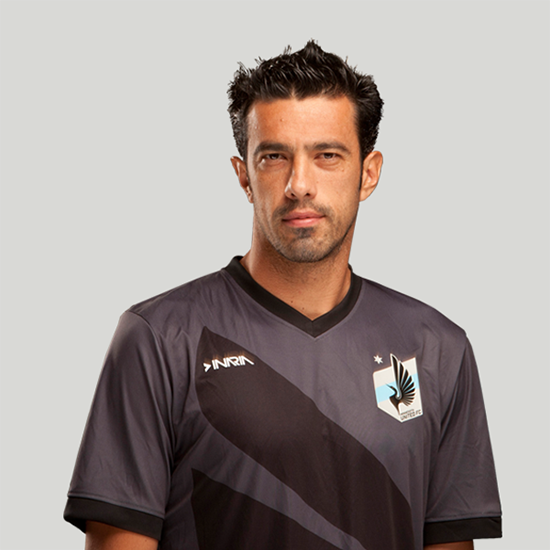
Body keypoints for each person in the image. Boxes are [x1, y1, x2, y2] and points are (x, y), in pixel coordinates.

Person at [64, 41, 502, 550]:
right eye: (274, 157)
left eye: (327, 156)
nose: (299, 184)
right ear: (244, 175)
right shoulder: (159, 339)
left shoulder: (437, 348)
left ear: (369, 173)